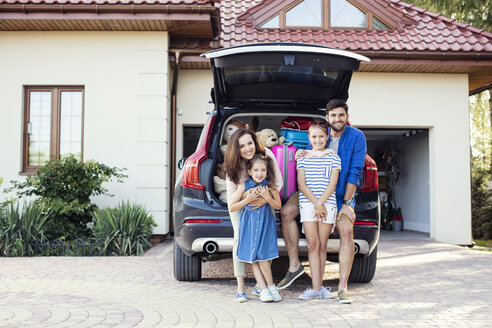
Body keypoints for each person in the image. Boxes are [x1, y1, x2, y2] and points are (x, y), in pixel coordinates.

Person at [277, 99, 366, 304]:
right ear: (327, 118)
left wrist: (346, 202)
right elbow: (308, 161)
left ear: (346, 117)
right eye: (333, 115)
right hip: (311, 192)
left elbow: (355, 172)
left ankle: (342, 287)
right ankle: (294, 266)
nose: (337, 119)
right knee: (287, 212)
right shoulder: (319, 134)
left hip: (341, 192)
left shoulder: (356, 137)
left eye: (341, 115)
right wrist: (301, 153)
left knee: (345, 229)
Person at [223, 128, 283, 303]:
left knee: (264, 240)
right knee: (239, 239)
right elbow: (232, 198)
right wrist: (248, 199)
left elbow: (278, 182)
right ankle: (241, 287)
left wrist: (265, 199)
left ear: (255, 142)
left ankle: (261, 284)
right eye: (242, 146)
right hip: (242, 203)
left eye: (250, 143)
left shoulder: (267, 156)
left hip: (266, 199)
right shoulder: (232, 165)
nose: (248, 148)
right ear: (236, 149)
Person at [296, 122, 340, 300]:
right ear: (309, 138)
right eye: (314, 137)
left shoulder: (334, 158)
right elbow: (301, 184)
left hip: (327, 205)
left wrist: (321, 203)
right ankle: (315, 288)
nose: (318, 140)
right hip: (308, 205)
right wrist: (316, 203)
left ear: (327, 137)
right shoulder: (303, 158)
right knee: (312, 245)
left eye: (321, 136)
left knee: (322, 246)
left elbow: (333, 183)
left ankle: (320, 287)